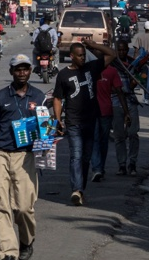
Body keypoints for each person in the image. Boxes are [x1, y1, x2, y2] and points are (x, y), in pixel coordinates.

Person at [0, 54, 45, 260]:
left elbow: (46, 129)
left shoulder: (39, 97)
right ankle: (7, 254)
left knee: (24, 207)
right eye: (18, 69)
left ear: (30, 71)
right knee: (1, 206)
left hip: (26, 157)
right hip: (1, 156)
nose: (22, 73)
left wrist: (50, 134)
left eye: (25, 69)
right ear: (11, 71)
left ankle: (26, 241)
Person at [52, 39, 116, 206]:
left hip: (91, 120)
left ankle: (81, 190)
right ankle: (76, 189)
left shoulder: (92, 68)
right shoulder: (63, 75)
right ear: (72, 56)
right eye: (79, 56)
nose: (82, 58)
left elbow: (112, 54)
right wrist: (57, 119)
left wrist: (93, 46)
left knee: (86, 158)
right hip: (73, 122)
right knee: (76, 156)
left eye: (83, 55)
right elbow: (57, 98)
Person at [90, 41, 132, 182]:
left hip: (106, 111)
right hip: (94, 111)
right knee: (96, 140)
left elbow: (120, 92)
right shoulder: (91, 69)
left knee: (102, 141)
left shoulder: (112, 71)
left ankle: (99, 167)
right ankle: (97, 168)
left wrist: (126, 112)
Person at [111, 42, 142, 176]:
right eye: (120, 49)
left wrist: (134, 82)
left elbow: (132, 84)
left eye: (124, 50)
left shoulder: (131, 65)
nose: (122, 52)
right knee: (119, 136)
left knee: (133, 133)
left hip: (130, 100)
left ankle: (132, 163)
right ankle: (122, 164)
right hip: (116, 101)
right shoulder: (112, 65)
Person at [133, 21, 149, 104]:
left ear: (144, 28)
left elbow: (136, 50)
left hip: (142, 63)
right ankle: (147, 98)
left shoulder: (140, 37)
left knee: (143, 79)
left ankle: (146, 96)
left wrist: (134, 61)